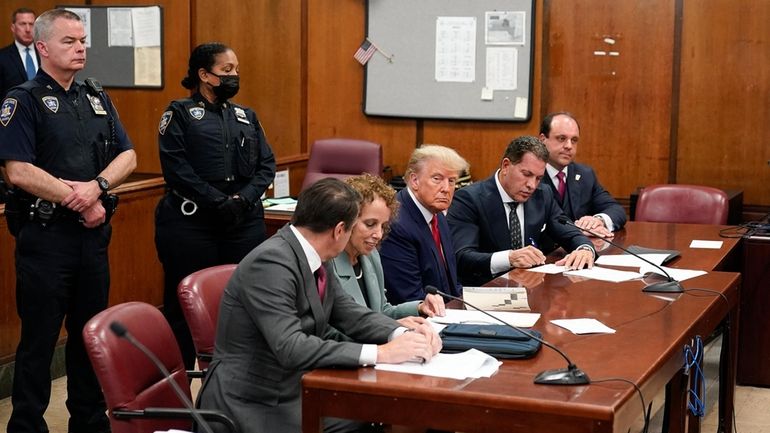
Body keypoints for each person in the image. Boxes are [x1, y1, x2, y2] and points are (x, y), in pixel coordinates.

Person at [197, 178, 441, 433]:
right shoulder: (271, 263)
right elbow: (291, 346)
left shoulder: (313, 255)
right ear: (339, 231)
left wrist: (403, 334)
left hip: (297, 383)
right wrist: (381, 354)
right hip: (255, 399)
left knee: (393, 409)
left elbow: (348, 312)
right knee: (380, 412)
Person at [0, 9, 136, 433]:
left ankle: (90, 423)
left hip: (92, 240)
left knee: (89, 338)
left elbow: (129, 155)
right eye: (69, 41)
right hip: (46, 240)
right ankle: (26, 426)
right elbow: (18, 170)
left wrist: (96, 187)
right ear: (42, 47)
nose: (80, 48)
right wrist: (78, 199)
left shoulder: (96, 95)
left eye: (82, 41)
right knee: (39, 344)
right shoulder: (21, 100)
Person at [155, 42, 276, 369]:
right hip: (191, 226)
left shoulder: (246, 116)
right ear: (204, 75)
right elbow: (176, 168)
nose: (234, 76)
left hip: (241, 223)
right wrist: (216, 201)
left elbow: (267, 165)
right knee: (184, 307)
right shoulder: (178, 113)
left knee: (241, 304)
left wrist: (241, 200)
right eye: (227, 71)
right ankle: (180, 392)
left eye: (236, 70)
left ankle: (237, 381)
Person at [447, 136, 594, 286]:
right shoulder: (469, 199)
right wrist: (509, 258)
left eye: (538, 178)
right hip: (486, 291)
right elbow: (462, 257)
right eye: (526, 174)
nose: (532, 185)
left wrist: (584, 249)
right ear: (506, 166)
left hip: (530, 289)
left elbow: (568, 231)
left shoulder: (542, 195)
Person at [331, 173, 446, 328]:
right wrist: (390, 328)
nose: (378, 235)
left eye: (383, 226)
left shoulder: (371, 256)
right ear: (346, 221)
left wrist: (419, 307)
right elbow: (335, 329)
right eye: (370, 224)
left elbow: (381, 311)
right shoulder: (327, 265)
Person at [379, 145, 469, 305]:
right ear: (414, 181)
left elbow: (451, 284)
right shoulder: (397, 223)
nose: (446, 189)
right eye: (437, 179)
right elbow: (408, 296)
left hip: (449, 310)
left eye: (451, 181)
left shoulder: (437, 214)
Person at [539, 112, 626, 241]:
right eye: (561, 138)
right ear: (542, 140)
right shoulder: (530, 176)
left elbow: (616, 210)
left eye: (574, 140)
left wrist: (597, 221)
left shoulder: (585, 175)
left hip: (582, 252)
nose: (569, 146)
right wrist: (577, 231)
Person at [0, 8, 38, 98]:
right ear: (13, 28)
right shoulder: (2, 57)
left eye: (31, 24)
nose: (28, 29)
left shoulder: (46, 53)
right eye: (23, 24)